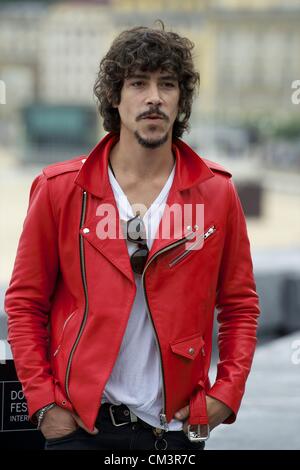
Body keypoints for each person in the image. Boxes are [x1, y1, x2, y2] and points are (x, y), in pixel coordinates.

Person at [5, 22, 260, 451]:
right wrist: (44, 404)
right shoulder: (60, 189)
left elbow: (239, 306)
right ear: (115, 98)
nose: (154, 97)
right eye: (138, 83)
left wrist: (225, 396)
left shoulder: (216, 193)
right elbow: (25, 303)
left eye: (167, 84)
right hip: (81, 427)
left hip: (176, 431)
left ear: (182, 100)